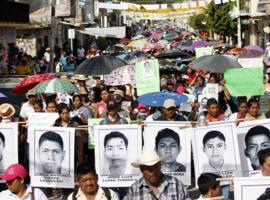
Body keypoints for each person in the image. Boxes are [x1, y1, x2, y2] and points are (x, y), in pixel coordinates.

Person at [124, 149, 189, 200]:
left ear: (160, 166)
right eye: (148, 169)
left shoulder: (176, 185)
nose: (153, 172)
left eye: (155, 167)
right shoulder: (134, 189)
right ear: (142, 170)